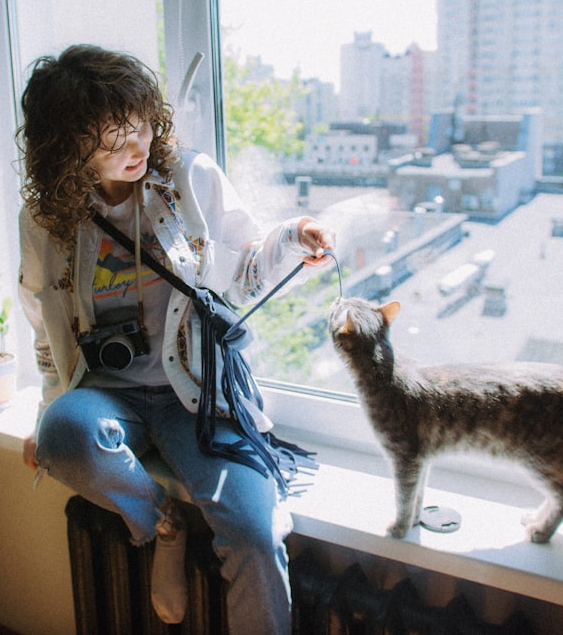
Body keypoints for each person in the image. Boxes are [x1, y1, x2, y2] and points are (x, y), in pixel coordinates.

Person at [17, 44, 335, 634]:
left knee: (257, 533)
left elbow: (242, 269)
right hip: (107, 393)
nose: (137, 147)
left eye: (139, 126)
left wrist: (293, 238)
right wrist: (44, 409)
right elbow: (46, 329)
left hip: (196, 391)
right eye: (114, 141)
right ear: (68, 149)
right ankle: (160, 522)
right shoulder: (45, 221)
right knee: (62, 434)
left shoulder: (188, 179)